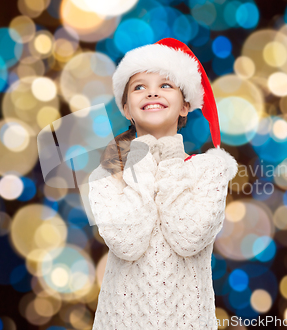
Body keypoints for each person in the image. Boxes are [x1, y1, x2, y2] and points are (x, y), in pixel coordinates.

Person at [88, 38, 238, 330]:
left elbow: (187, 237)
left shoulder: (210, 170)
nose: (152, 91)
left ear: (185, 106)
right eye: (139, 86)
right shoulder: (107, 175)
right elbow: (128, 243)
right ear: (127, 109)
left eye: (165, 85)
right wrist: (141, 157)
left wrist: (169, 158)